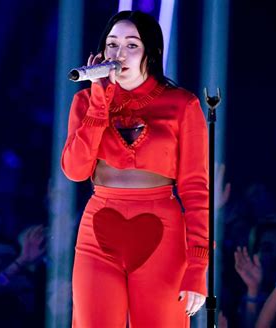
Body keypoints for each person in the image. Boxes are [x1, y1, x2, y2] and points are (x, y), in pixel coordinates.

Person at [61, 10, 209, 327]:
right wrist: (101, 102)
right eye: (112, 44)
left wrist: (198, 267)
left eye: (131, 45)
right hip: (99, 230)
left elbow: (196, 191)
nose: (118, 54)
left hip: (163, 233)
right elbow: (75, 170)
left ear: (151, 53)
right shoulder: (86, 101)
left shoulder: (182, 104)